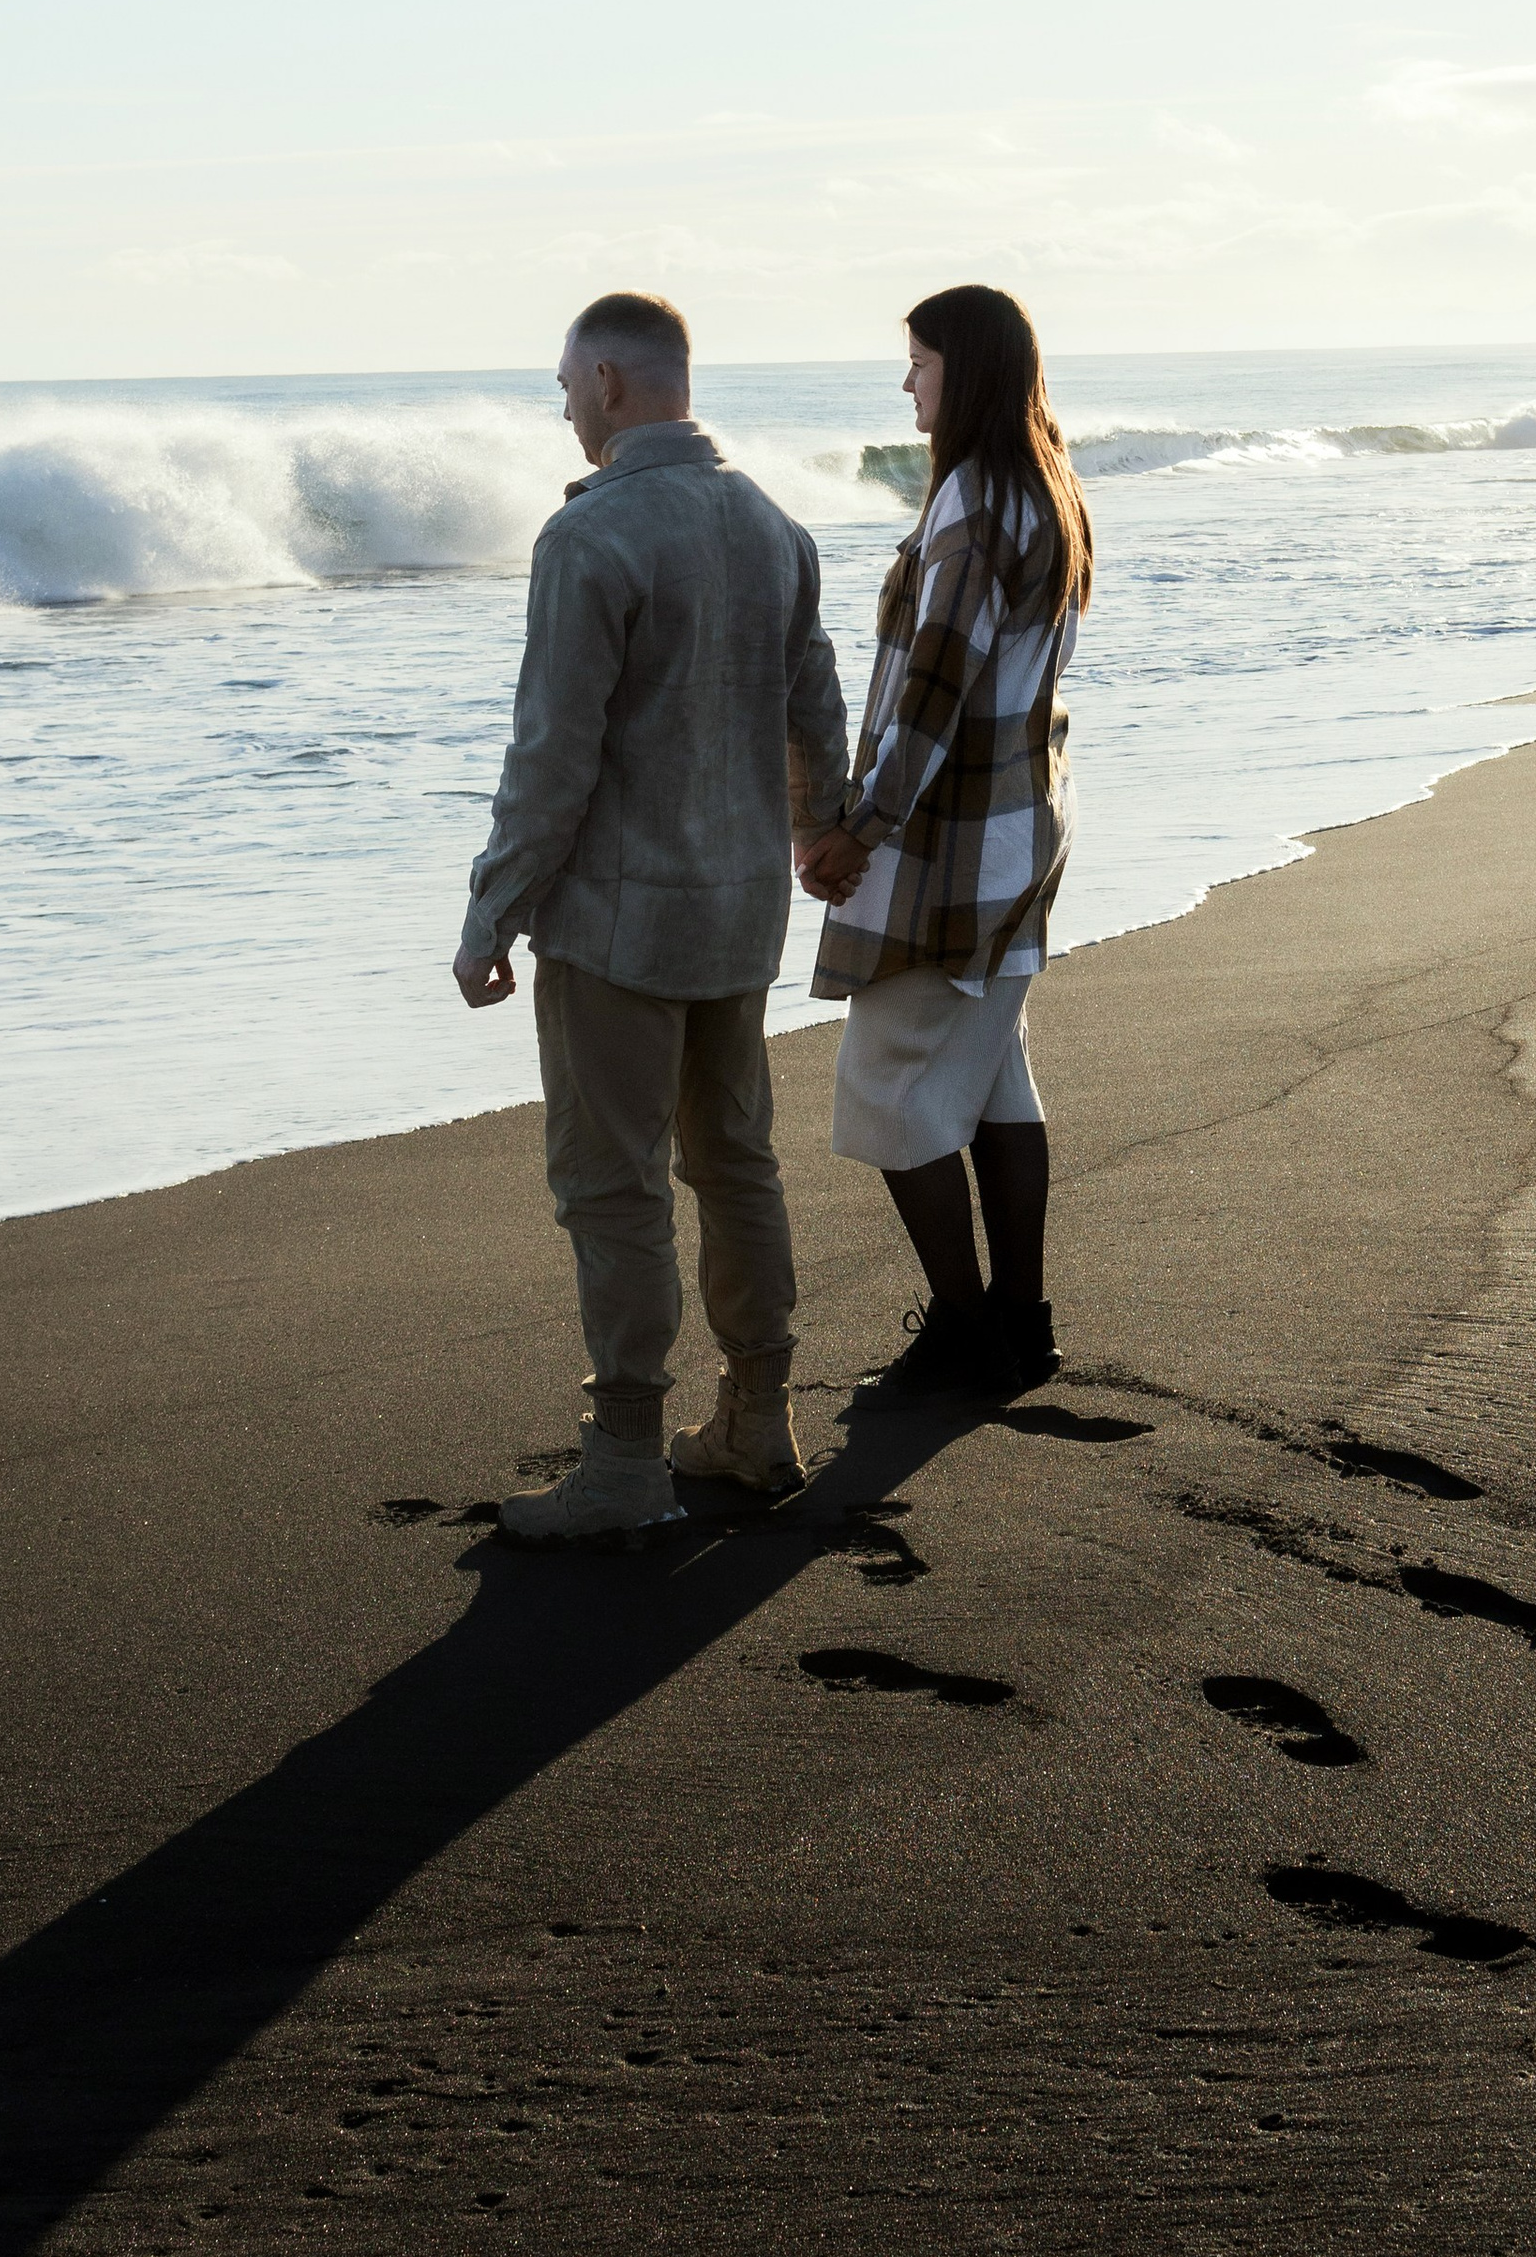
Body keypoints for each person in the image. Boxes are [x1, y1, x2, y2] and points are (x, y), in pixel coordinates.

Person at [455, 291, 848, 1547]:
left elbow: (551, 754)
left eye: (567, 386)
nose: (566, 408)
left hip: (618, 924)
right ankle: (758, 1421)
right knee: (734, 1163)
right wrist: (824, 828)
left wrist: (492, 909)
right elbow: (815, 705)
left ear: (611, 384)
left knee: (611, 1185)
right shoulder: (773, 524)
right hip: (738, 911)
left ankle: (625, 1461)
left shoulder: (593, 534)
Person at [798, 284, 1092, 1396]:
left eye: (918, 363)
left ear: (962, 372)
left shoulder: (973, 498)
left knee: (884, 1084)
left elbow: (932, 690)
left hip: (957, 840)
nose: (906, 384)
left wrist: (859, 828)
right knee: (994, 1080)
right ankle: (1022, 1323)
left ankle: (966, 1331)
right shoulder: (1046, 489)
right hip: (1023, 823)